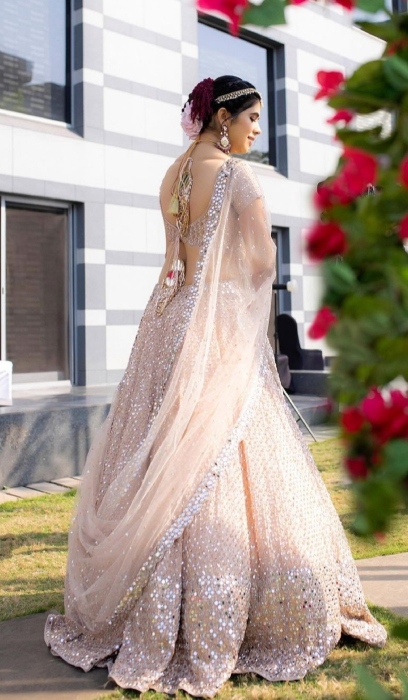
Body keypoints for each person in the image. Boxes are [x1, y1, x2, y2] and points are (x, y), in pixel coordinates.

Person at [45, 75, 386, 697]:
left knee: (163, 451)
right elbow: (260, 263)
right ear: (223, 117)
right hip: (216, 326)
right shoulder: (236, 176)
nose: (257, 129)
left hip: (166, 324)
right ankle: (227, 600)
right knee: (222, 451)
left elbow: (173, 261)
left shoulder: (173, 173)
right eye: (252, 118)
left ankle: (149, 600)